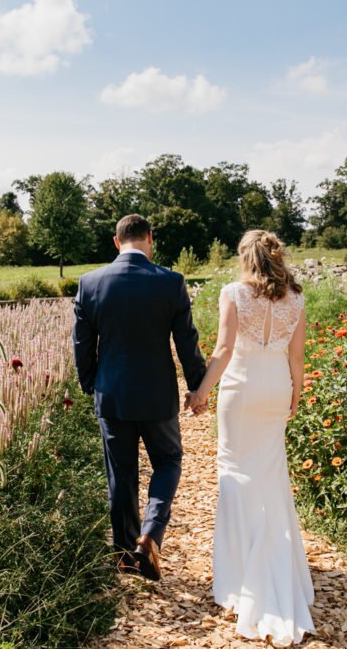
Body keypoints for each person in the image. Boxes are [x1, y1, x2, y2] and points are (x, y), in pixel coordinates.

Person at [186, 229, 315, 647]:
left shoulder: (234, 293)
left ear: (246, 257)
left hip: (240, 389)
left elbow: (223, 349)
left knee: (235, 474)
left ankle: (241, 572)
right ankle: (277, 567)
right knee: (270, 474)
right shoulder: (295, 298)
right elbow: (297, 357)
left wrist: (201, 392)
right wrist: (296, 392)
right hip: (276, 386)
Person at [73, 214, 207, 580]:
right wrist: (197, 386)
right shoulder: (170, 282)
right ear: (150, 238)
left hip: (112, 394)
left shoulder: (90, 283)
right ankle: (150, 537)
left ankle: (124, 557)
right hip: (157, 395)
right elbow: (186, 342)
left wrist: (91, 384)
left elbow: (82, 345)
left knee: (121, 476)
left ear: (116, 242)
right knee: (168, 461)